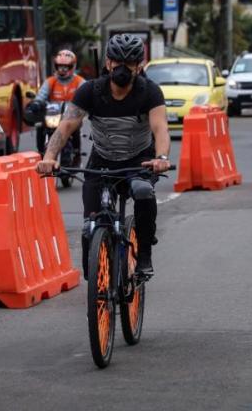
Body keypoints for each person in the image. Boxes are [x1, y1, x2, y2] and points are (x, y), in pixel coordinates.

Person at [36, 34, 171, 277]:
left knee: (142, 191)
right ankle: (96, 271)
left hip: (139, 159)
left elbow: (160, 127)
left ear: (139, 65)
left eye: (129, 64)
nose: (122, 68)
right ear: (108, 63)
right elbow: (66, 126)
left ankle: (144, 255)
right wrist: (49, 156)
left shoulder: (149, 91)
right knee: (91, 223)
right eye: (117, 62)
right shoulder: (90, 91)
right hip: (101, 161)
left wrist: (161, 158)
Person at [29, 50, 85, 156]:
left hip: (71, 114)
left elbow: (86, 95)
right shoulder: (51, 81)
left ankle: (77, 150)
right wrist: (37, 103)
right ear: (56, 66)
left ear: (72, 66)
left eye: (66, 66)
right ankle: (40, 151)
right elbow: (42, 94)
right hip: (52, 113)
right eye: (60, 66)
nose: (62, 69)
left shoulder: (80, 81)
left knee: (75, 125)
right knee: (40, 124)